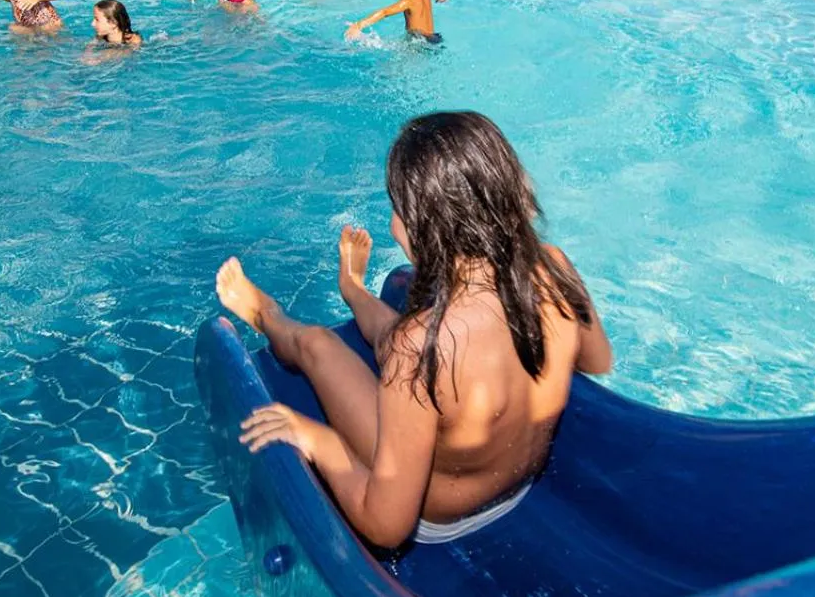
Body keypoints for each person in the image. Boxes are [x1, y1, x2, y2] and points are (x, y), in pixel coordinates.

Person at [216, 111, 613, 548]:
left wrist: (314, 438)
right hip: (521, 483)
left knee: (319, 345)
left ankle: (267, 314)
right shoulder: (553, 266)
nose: (393, 225)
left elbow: (387, 527)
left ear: (424, 227)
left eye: (398, 210)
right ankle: (353, 290)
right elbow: (597, 361)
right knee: (413, 346)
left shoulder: (420, 345)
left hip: (441, 514)